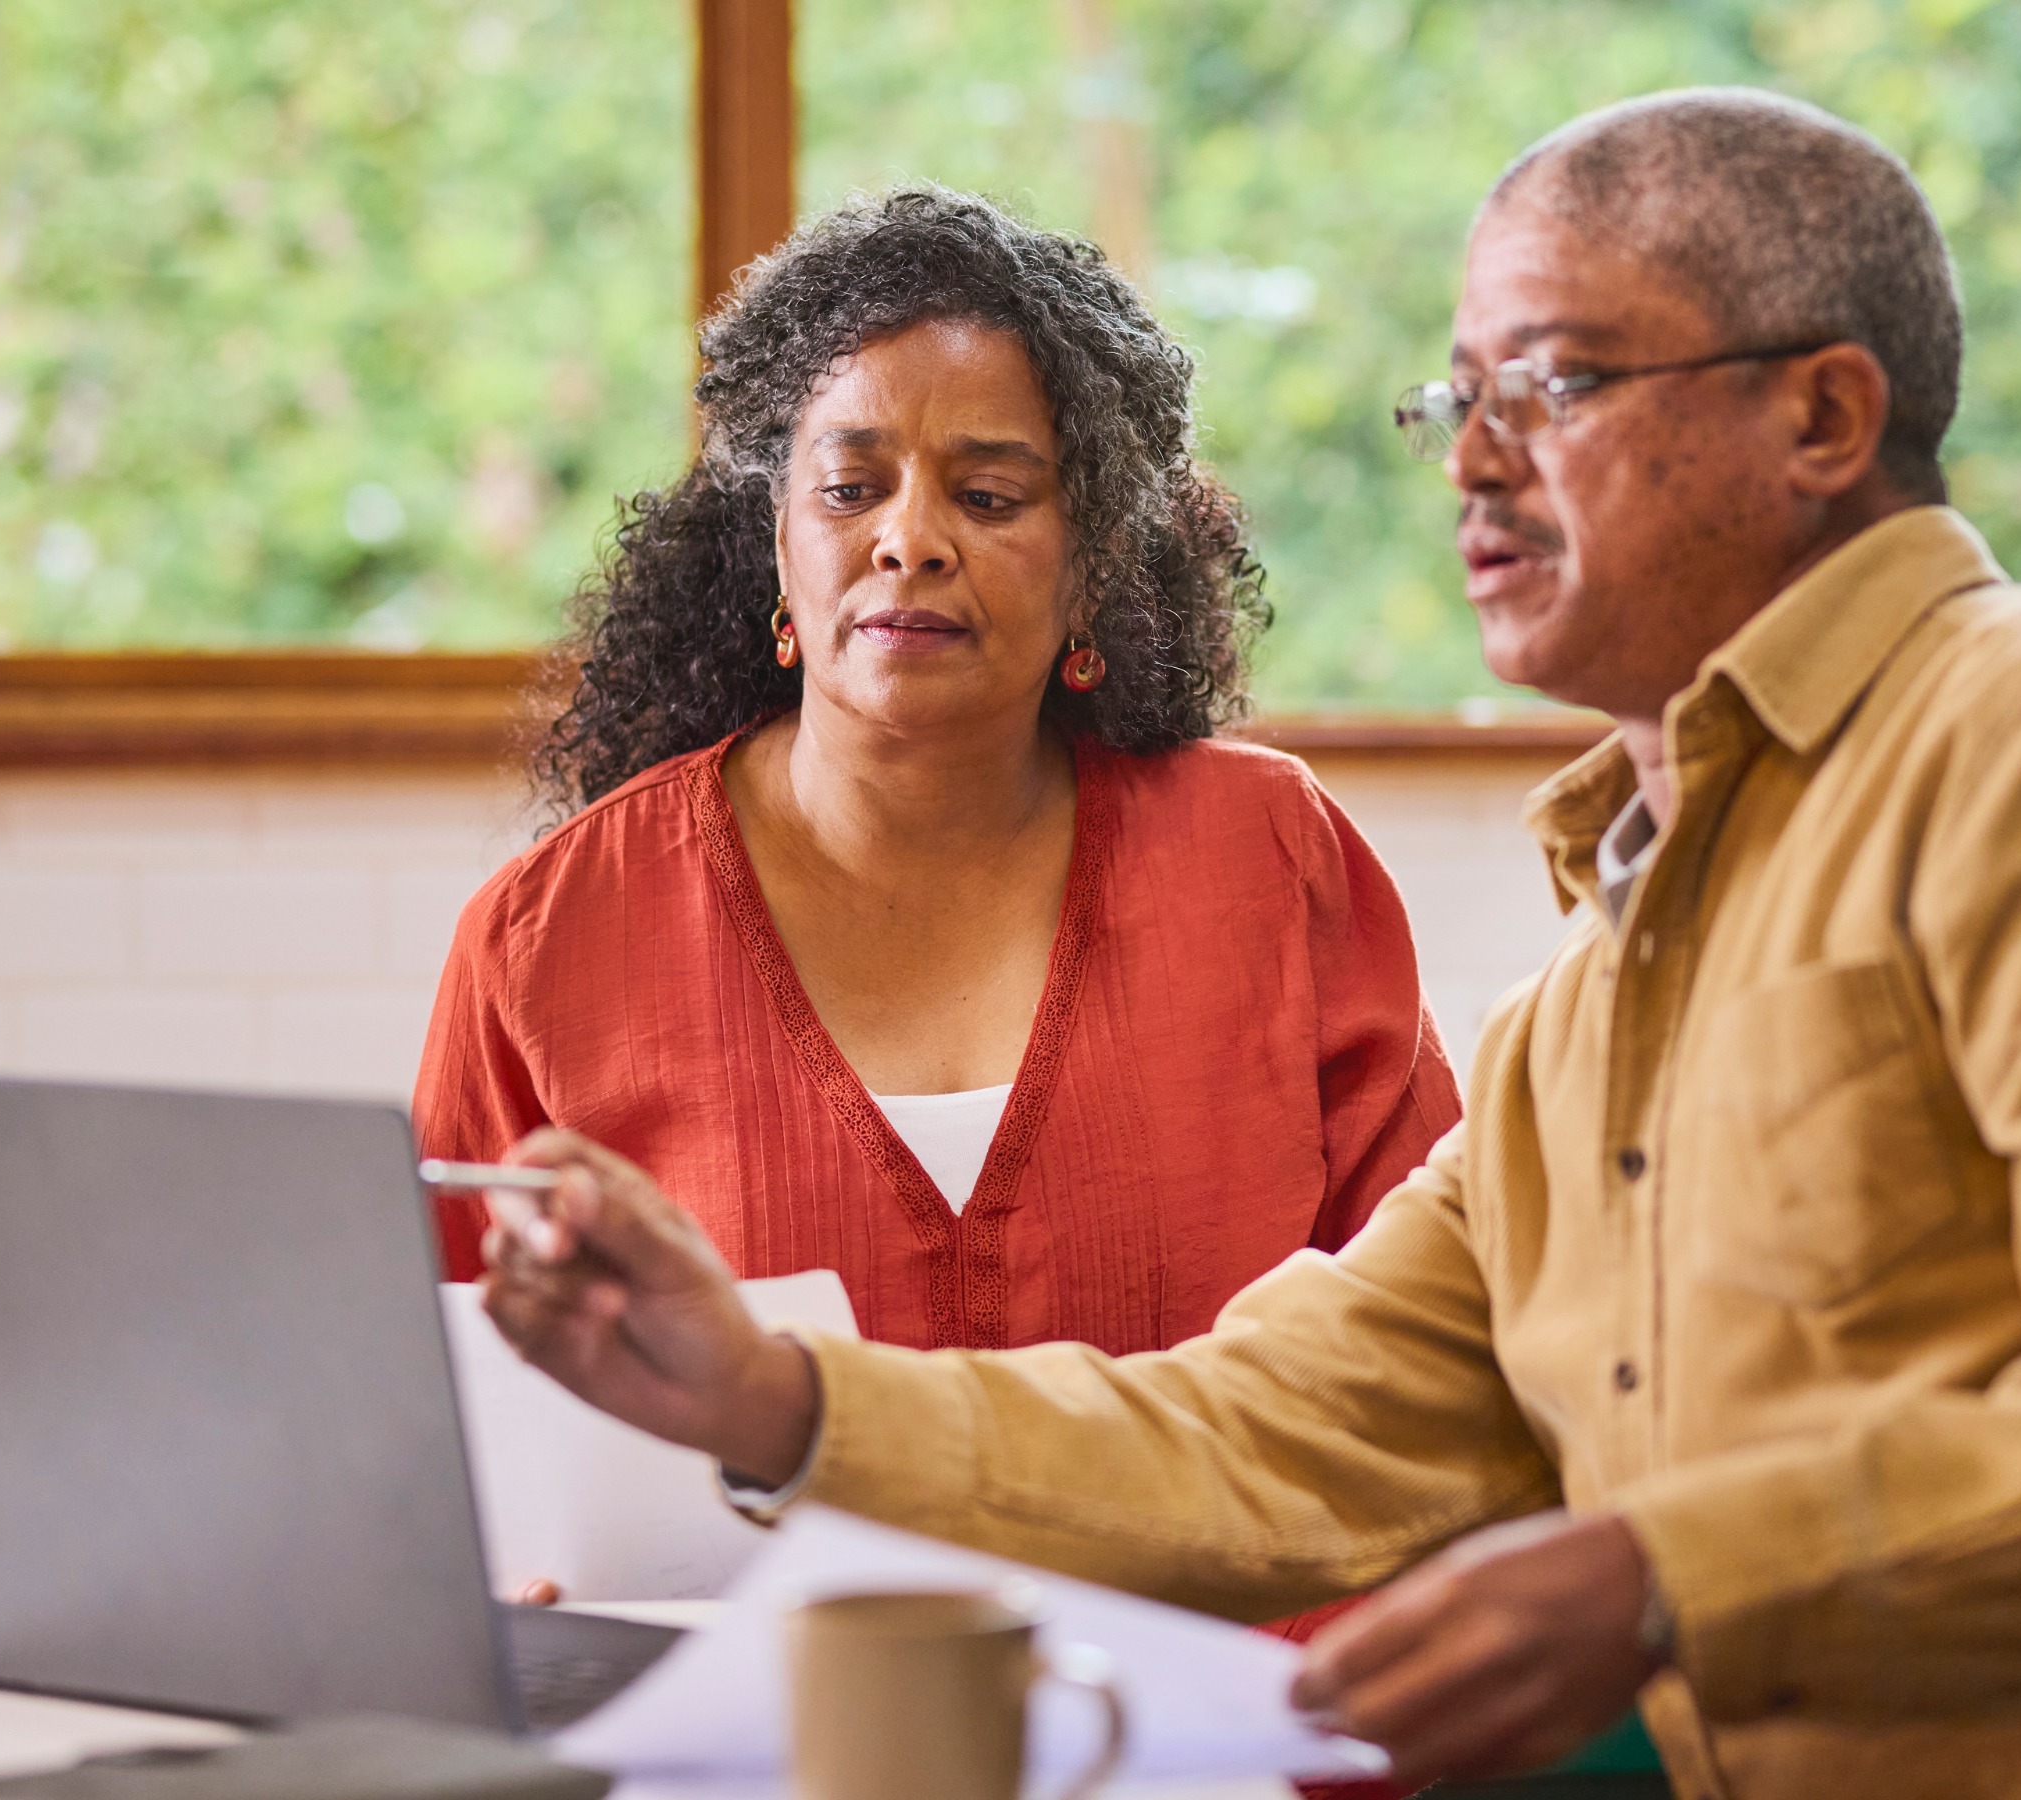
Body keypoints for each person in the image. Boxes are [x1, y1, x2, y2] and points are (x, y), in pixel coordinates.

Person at [471, 90, 2021, 1798]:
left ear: (1822, 419)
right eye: (1456, 397)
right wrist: (765, 1396)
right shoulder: (1597, 996)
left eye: (1561, 379)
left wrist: (1669, 1573)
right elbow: (1272, 1432)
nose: (1476, 457)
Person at [416, 188, 1459, 1357]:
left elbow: (1434, 1326)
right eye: (849, 489)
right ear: (777, 544)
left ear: (1088, 566)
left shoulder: (1270, 862)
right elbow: (447, 1409)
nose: (909, 540)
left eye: (988, 496)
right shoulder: (544, 940)